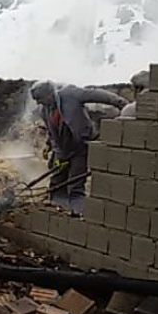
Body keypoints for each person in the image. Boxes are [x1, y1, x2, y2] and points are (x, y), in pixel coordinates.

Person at [31, 81, 128, 215]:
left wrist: (122, 104)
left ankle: (78, 213)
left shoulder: (70, 94)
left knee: (75, 184)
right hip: (62, 151)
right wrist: (49, 147)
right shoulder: (44, 110)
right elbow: (52, 131)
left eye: (39, 99)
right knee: (57, 183)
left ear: (49, 94)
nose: (38, 103)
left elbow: (98, 95)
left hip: (80, 147)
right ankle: (58, 210)